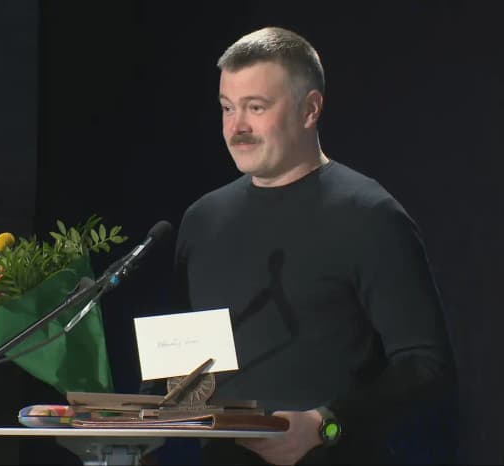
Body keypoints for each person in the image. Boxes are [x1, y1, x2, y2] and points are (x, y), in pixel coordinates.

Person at [172, 26, 456, 465]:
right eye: (228, 108)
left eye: (256, 107)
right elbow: (186, 371)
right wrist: (129, 425)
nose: (237, 127)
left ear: (310, 109)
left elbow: (426, 366)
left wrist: (326, 423)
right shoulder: (201, 221)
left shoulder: (369, 215)